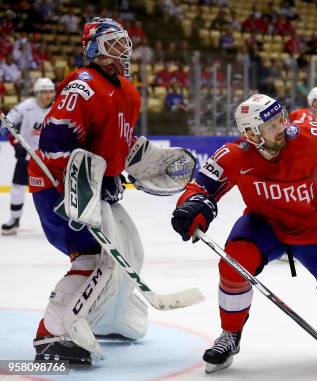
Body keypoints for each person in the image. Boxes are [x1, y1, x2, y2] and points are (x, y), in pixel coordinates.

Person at [171, 94, 317, 373]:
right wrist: (190, 207)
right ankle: (230, 334)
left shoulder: (308, 138)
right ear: (250, 133)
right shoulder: (233, 156)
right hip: (266, 225)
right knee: (234, 263)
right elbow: (200, 189)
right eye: (271, 125)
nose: (282, 127)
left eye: (280, 119)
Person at [28, 17, 193, 365]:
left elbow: (120, 143)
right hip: (61, 189)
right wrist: (94, 177)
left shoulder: (128, 92)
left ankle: (109, 318)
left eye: (125, 43)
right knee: (94, 258)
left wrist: (141, 162)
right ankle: (53, 334)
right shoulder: (82, 88)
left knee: (129, 251)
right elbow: (55, 145)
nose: (125, 50)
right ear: (94, 48)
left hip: (94, 188)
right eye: (115, 43)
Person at [1, 78, 55, 235]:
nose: (48, 95)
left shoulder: (57, 108)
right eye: (44, 92)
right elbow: (7, 123)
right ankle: (14, 219)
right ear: (37, 93)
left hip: (49, 159)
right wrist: (15, 143)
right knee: (17, 188)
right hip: (27, 157)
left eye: (50, 91)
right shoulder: (26, 106)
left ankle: (55, 222)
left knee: (52, 191)